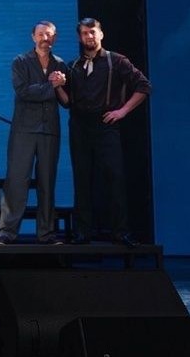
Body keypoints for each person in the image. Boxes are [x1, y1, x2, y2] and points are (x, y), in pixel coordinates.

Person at [66, 18, 151, 246]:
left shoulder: (117, 60)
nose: (89, 36)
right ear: (79, 37)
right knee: (82, 179)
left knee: (114, 178)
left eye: (92, 32)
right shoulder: (74, 66)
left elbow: (144, 86)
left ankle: (120, 232)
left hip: (106, 125)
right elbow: (67, 100)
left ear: (101, 34)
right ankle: (82, 232)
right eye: (84, 33)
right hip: (79, 126)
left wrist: (122, 111)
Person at [0, 21, 69, 245]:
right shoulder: (21, 61)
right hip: (24, 129)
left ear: (55, 38)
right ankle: (6, 232)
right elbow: (23, 92)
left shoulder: (60, 64)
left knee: (47, 182)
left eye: (49, 35)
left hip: (49, 130)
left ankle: (46, 233)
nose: (45, 38)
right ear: (33, 37)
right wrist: (52, 86)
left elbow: (66, 101)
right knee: (17, 181)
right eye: (41, 34)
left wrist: (60, 85)